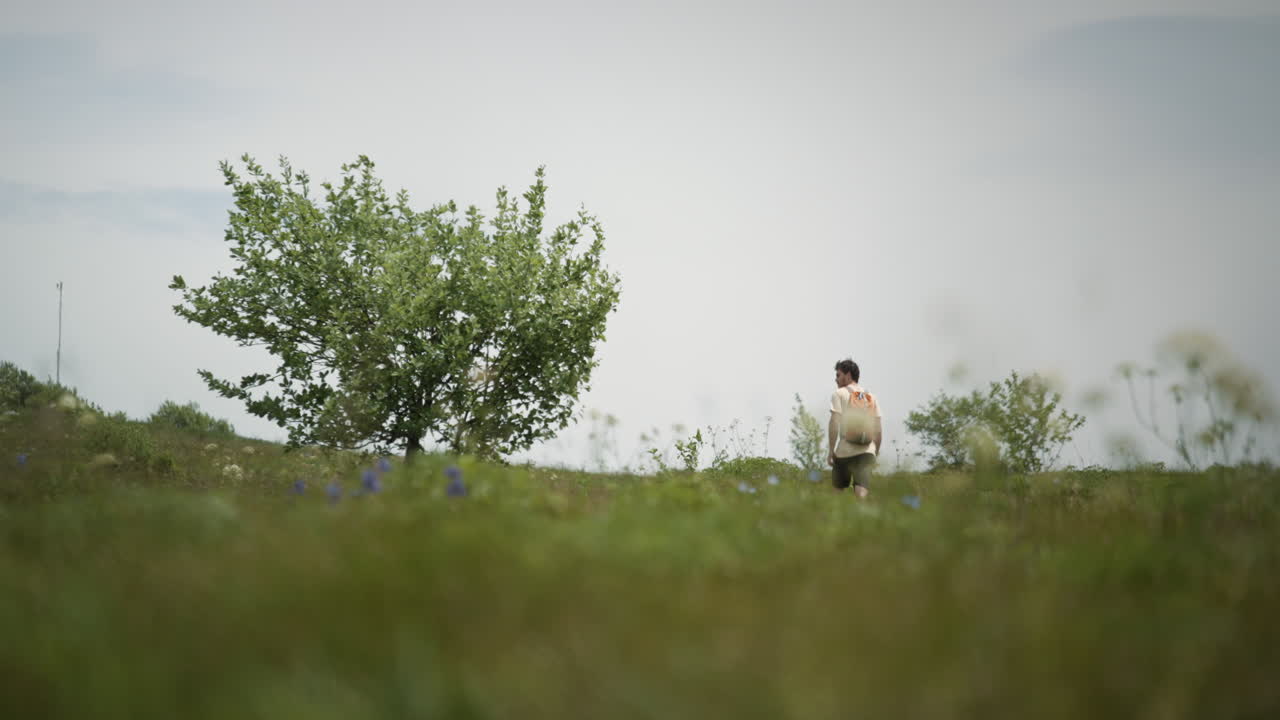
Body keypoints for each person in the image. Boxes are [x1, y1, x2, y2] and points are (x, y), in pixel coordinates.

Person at [828, 359, 882, 497]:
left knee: (836, 494)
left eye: (838, 375)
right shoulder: (871, 397)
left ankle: (835, 519)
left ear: (848, 375)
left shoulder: (839, 394)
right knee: (861, 491)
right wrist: (875, 451)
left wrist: (831, 450)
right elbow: (878, 429)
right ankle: (862, 517)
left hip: (845, 451)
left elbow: (834, 422)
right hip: (867, 451)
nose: (836, 379)